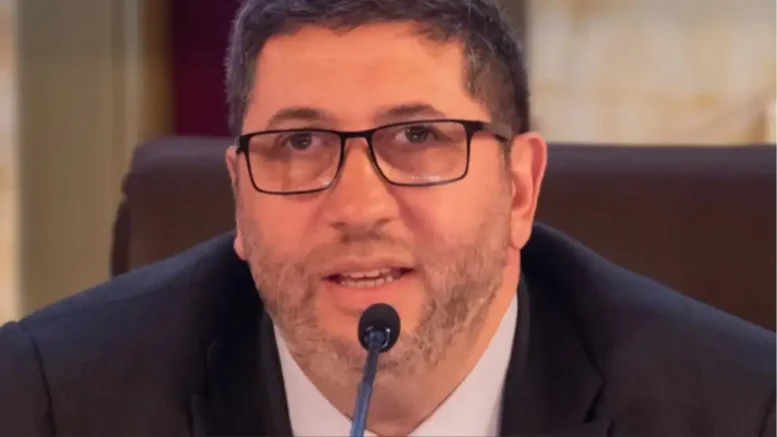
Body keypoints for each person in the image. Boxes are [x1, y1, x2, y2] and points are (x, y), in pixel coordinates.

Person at [0, 0, 774, 435]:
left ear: (517, 189)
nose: (357, 208)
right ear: (239, 194)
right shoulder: (54, 401)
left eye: (418, 138)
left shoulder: (734, 409)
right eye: (300, 143)